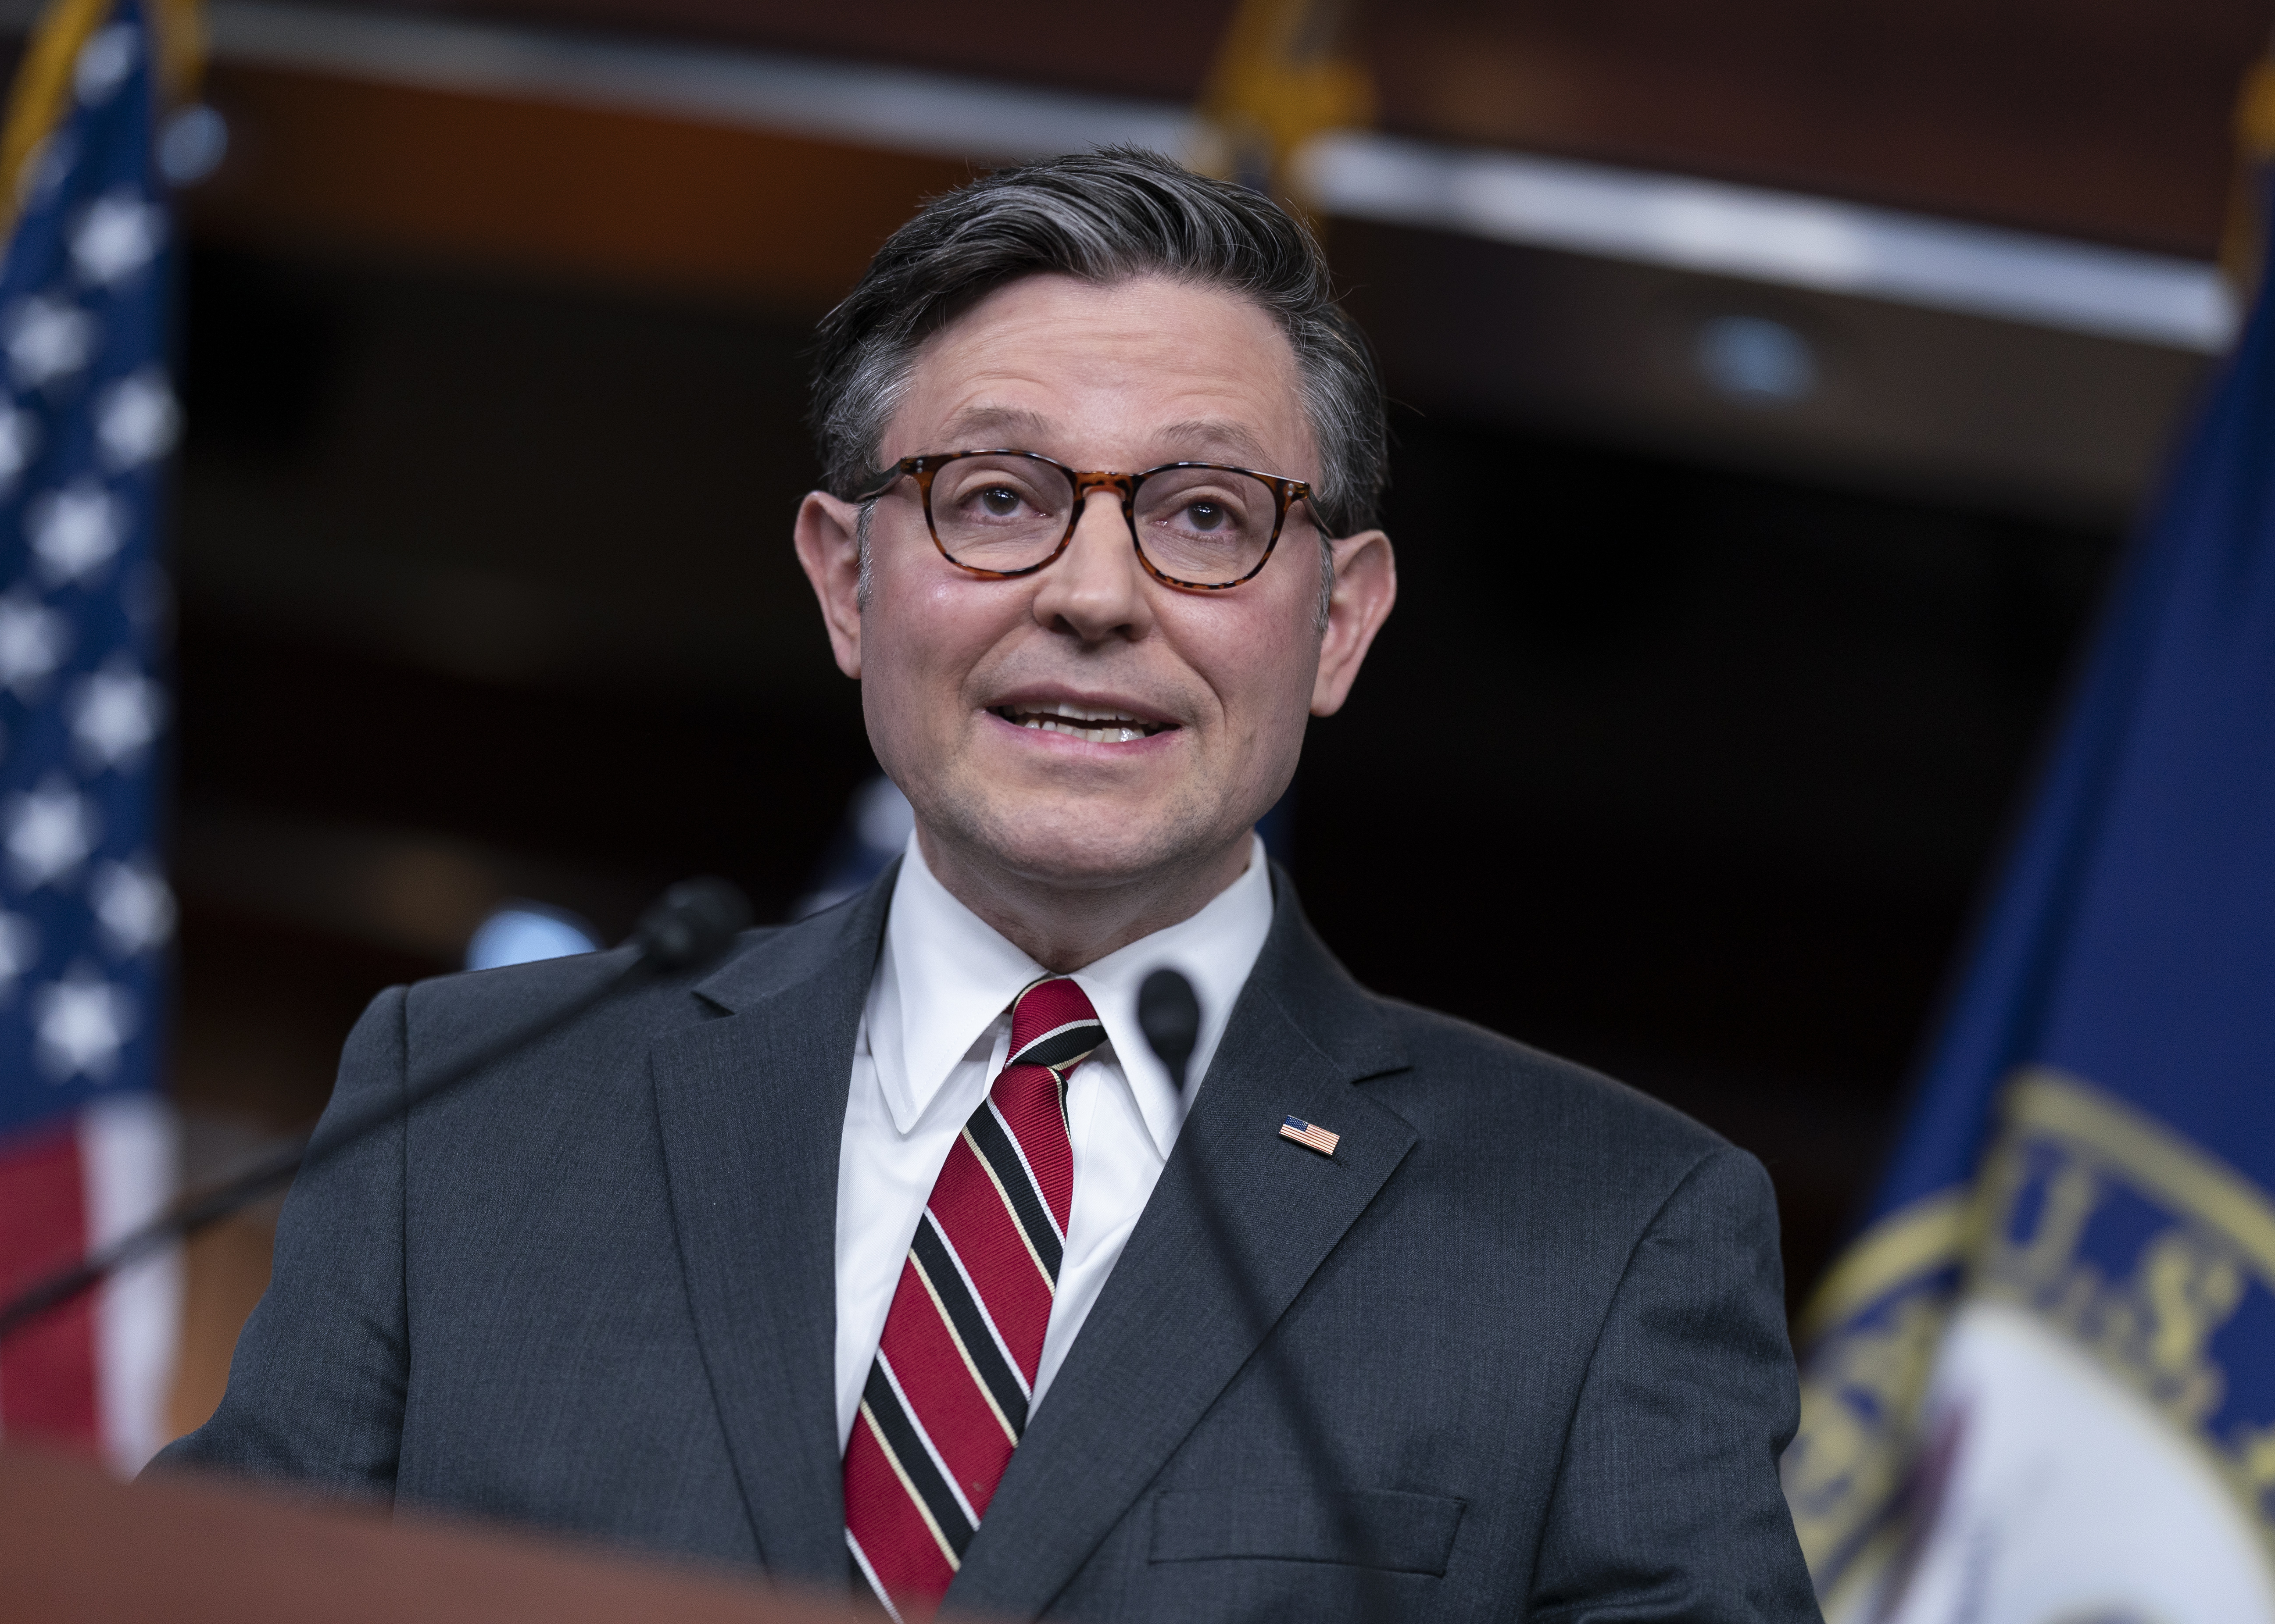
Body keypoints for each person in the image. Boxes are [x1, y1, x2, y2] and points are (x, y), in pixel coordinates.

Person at [155, 149, 1819, 1623]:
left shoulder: (1605, 1237)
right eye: (999, 499)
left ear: (1340, 620)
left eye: (1205, 514)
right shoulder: (467, 1110)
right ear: (845, 582)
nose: (1095, 595)